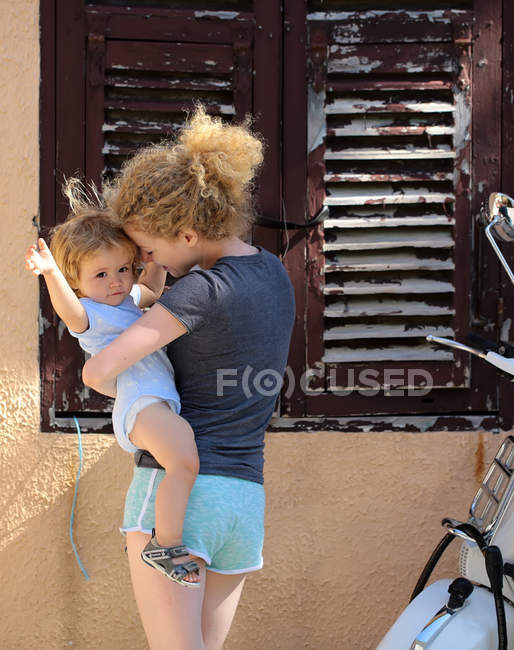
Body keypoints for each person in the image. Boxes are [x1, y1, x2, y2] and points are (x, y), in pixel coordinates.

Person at [82, 106, 296, 650]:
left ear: (187, 230)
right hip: (243, 502)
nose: (145, 261)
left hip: (179, 497)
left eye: (149, 250)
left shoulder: (197, 293)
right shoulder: (274, 273)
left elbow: (101, 370)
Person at [25, 194, 202, 587]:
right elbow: (69, 310)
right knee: (184, 461)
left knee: (184, 460)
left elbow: (151, 284)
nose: (116, 281)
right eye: (101, 275)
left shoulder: (127, 300)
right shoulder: (94, 314)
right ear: (78, 283)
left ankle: (163, 538)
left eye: (122, 268)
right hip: (141, 403)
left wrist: (155, 255)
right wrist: (52, 273)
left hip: (157, 401)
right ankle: (166, 544)